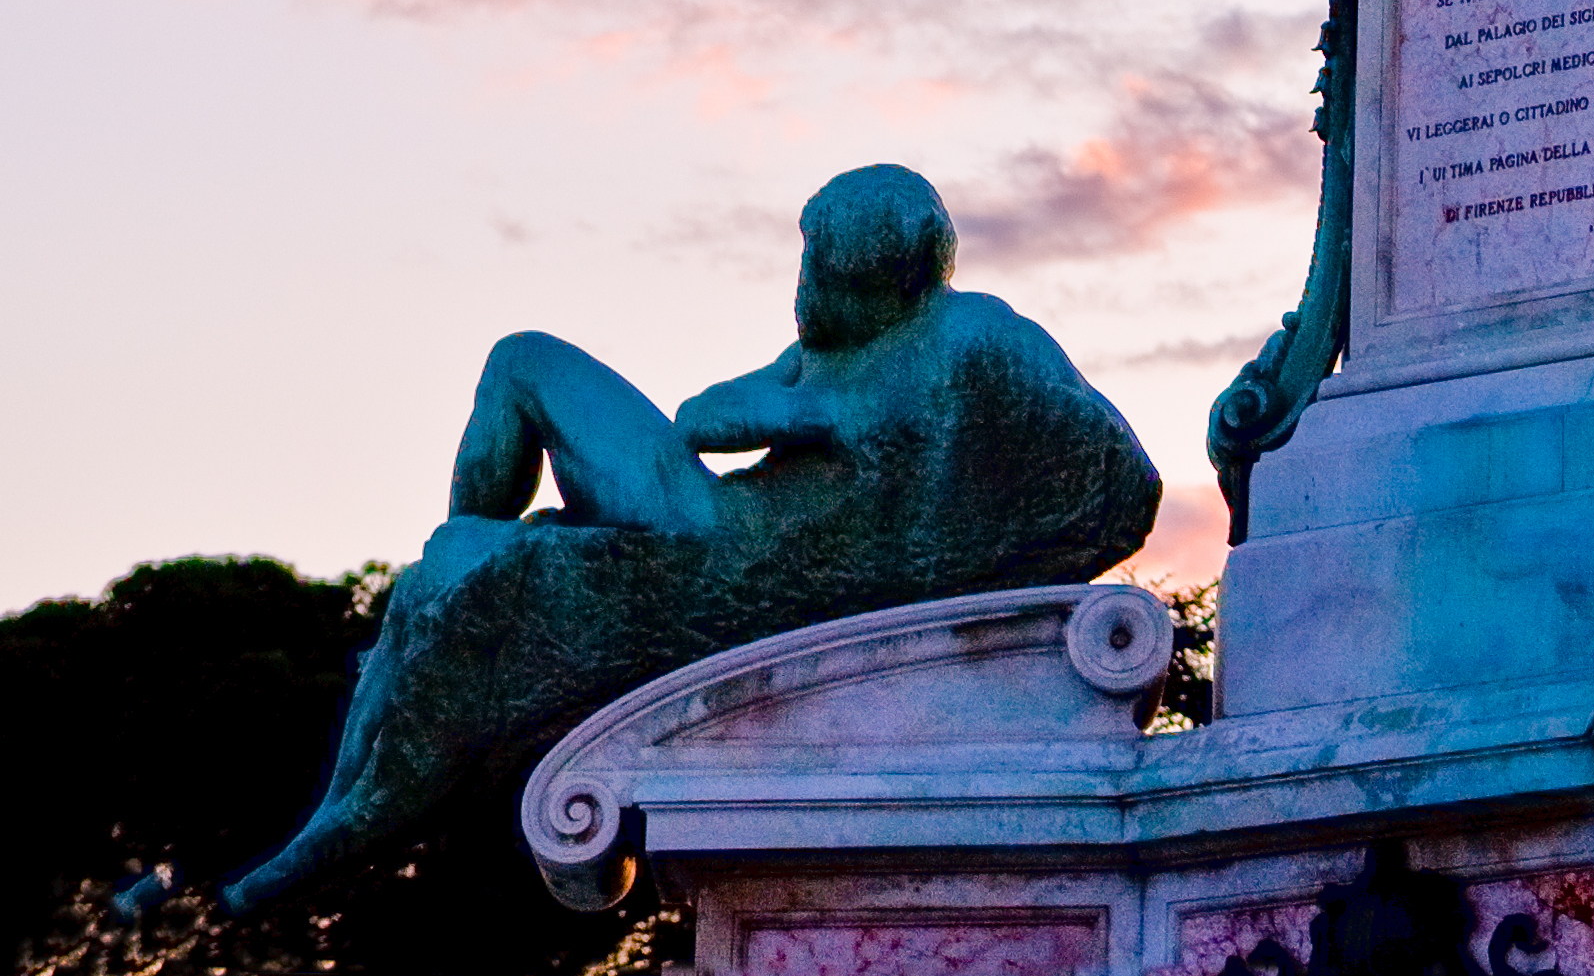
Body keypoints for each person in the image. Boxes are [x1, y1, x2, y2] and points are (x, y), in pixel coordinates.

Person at [228, 167, 1159, 917]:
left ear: (885, 279)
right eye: (810, 269)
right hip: (714, 520)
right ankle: (355, 766)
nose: (805, 290)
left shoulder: (971, 340)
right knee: (468, 523)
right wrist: (814, 411)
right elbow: (704, 415)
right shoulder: (839, 351)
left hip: (717, 557)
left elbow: (1122, 486)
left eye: (821, 273)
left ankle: (354, 784)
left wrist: (921, 525)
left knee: (520, 364)